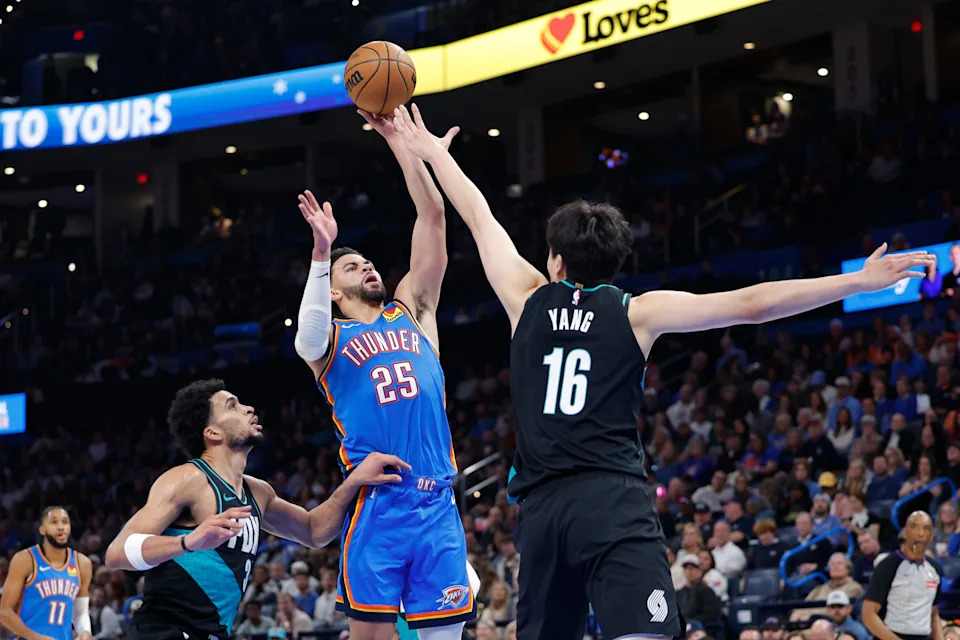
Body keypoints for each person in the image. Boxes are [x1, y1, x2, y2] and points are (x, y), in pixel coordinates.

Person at [390, 102, 934, 640]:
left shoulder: (526, 297)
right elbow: (751, 303)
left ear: (555, 259)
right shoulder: (637, 312)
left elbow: (478, 215)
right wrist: (855, 283)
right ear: (615, 262)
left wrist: (436, 156)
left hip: (543, 510)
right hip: (612, 499)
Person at [292, 108, 476, 639]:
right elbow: (305, 338)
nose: (369, 267)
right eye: (355, 268)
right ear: (333, 288)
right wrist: (323, 254)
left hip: (439, 505)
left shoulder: (412, 311)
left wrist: (398, 140)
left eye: (368, 262)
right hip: (379, 507)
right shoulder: (327, 341)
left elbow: (433, 217)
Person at [103, 379, 408, 640]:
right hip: (163, 631)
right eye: (233, 406)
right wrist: (189, 542)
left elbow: (315, 532)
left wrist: (354, 481)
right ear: (212, 433)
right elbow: (117, 554)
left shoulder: (258, 492)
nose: (248, 408)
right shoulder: (187, 479)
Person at [0, 506, 94, 640]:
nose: (61, 527)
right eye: (54, 522)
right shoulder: (25, 559)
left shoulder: (82, 563)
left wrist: (85, 632)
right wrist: (34, 637)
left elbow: (80, 613)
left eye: (65, 522)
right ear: (42, 529)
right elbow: (4, 611)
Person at [862, 511, 944, 640]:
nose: (921, 533)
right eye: (914, 527)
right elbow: (868, 615)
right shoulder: (888, 565)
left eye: (926, 528)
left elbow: (933, 614)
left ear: (931, 535)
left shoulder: (935, 569)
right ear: (905, 532)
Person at [676, 557, 722, 626]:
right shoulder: (680, 592)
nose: (689, 571)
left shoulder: (705, 590)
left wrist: (690, 622)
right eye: (686, 568)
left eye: (692, 568)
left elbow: (710, 615)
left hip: (698, 627)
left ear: (699, 571)